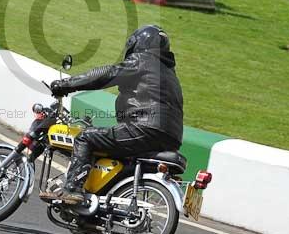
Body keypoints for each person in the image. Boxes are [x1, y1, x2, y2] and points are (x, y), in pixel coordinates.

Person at [41, 25, 184, 205]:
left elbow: (107, 74)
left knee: (85, 138)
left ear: (138, 43)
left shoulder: (143, 60)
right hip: (171, 137)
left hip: (145, 127)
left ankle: (72, 190)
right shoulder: (170, 74)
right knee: (112, 150)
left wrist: (67, 84)